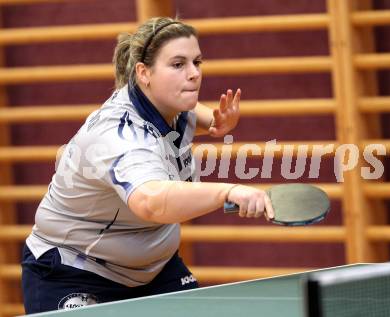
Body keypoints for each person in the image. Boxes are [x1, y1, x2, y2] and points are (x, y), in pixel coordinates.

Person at [21, 17, 274, 314]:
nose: (194, 74)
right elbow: (150, 202)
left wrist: (216, 124)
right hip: (76, 272)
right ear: (143, 73)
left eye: (197, 62)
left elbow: (194, 115)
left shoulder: (171, 107)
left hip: (156, 271)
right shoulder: (121, 134)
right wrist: (227, 192)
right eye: (178, 65)